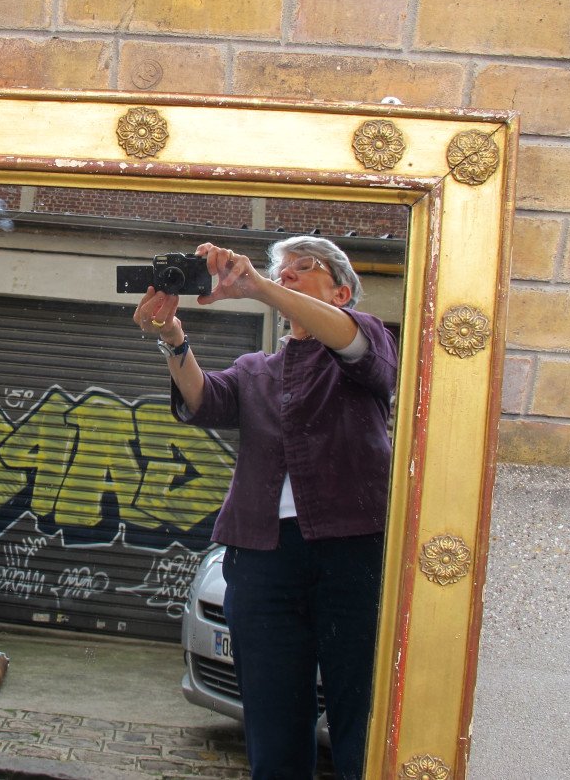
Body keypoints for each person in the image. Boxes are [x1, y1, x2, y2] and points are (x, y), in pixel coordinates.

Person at [133, 237, 397, 780]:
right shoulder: (258, 369)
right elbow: (203, 399)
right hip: (261, 556)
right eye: (282, 269)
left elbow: (348, 341)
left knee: (361, 712)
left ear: (341, 291)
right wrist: (172, 338)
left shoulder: (366, 338)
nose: (290, 275)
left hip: (353, 549)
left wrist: (258, 285)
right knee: (273, 715)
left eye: (306, 268)